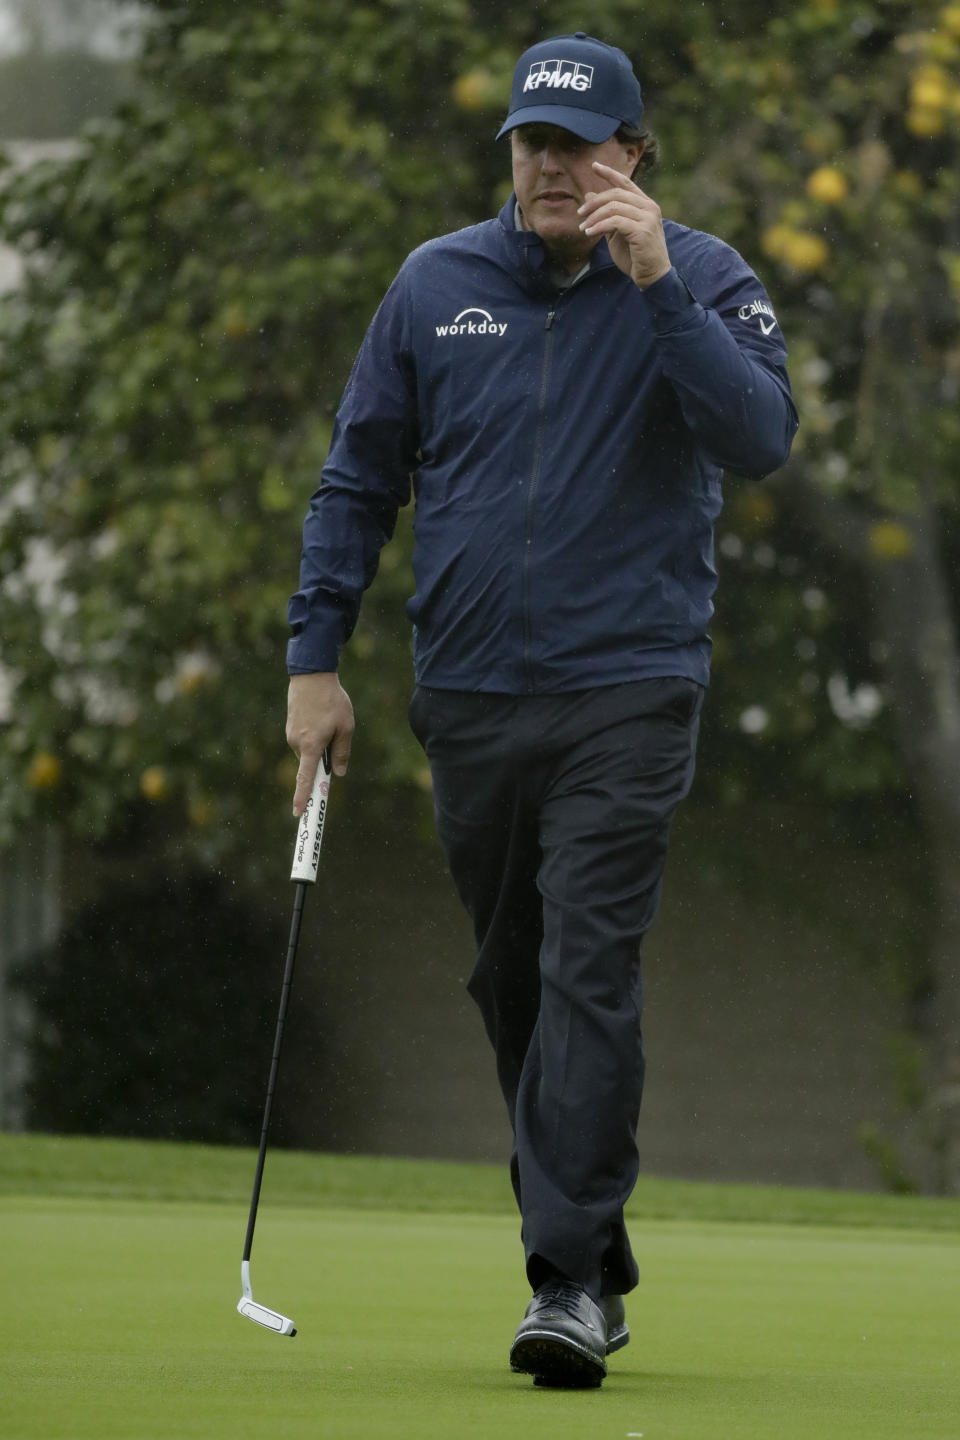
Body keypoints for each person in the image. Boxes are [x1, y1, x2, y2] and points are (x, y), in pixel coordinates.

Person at [286, 32, 798, 1389]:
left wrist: (659, 289)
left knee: (585, 966)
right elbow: (356, 482)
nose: (552, 166)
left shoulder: (707, 278)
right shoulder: (432, 284)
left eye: (580, 145)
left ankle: (561, 1280)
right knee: (511, 977)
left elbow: (759, 440)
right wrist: (313, 664)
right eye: (532, 142)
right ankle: (595, 1245)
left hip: (630, 688)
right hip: (465, 696)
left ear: (635, 156)